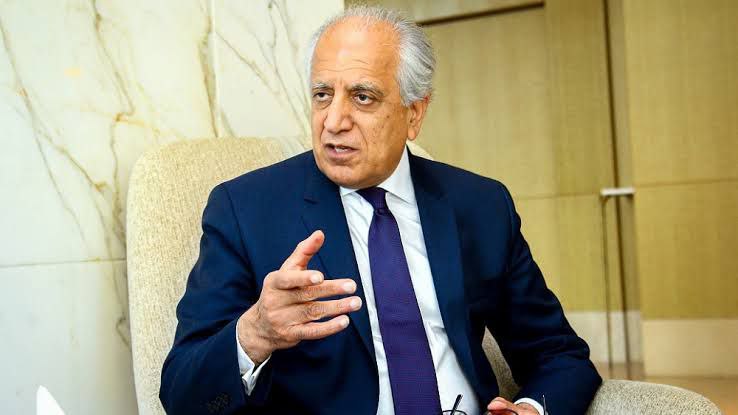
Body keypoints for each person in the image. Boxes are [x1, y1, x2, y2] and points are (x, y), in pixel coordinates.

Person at [160, 6, 601, 415]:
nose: (334, 121)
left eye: (363, 97)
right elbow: (182, 393)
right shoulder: (245, 210)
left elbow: (558, 355)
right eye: (322, 95)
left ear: (415, 113)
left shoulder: (480, 205)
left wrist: (532, 409)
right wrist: (255, 332)